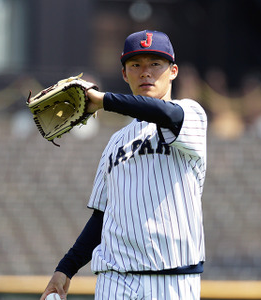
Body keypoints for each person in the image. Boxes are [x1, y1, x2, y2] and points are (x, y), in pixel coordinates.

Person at [40, 30, 208, 300]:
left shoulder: (192, 115)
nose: (145, 72)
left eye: (155, 63)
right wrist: (65, 269)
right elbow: (102, 217)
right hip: (115, 279)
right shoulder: (115, 143)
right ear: (124, 74)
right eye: (135, 65)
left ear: (173, 71)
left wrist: (103, 100)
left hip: (174, 279)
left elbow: (163, 113)